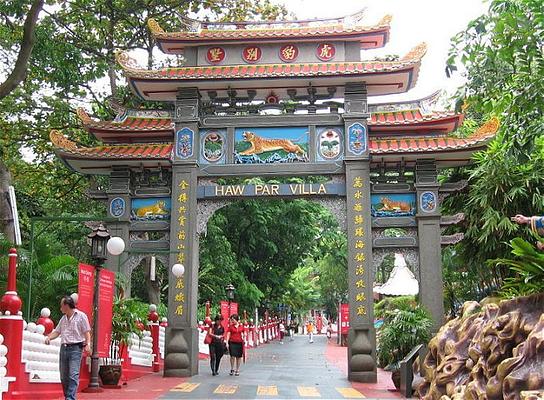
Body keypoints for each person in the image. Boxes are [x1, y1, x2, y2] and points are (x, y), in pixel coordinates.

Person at [45, 295, 91, 400]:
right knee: (63, 377)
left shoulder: (81, 316)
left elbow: (87, 332)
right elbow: (57, 332)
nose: (60, 307)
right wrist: (49, 338)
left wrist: (88, 344)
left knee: (73, 375)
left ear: (66, 305)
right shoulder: (63, 319)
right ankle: (68, 397)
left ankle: (70, 398)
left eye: (61, 305)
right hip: (64, 349)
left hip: (76, 349)